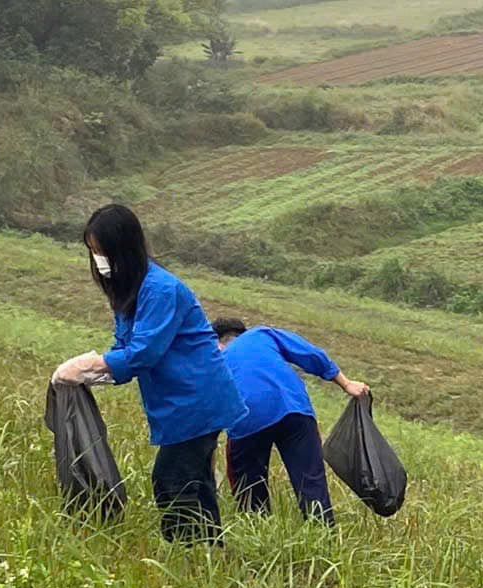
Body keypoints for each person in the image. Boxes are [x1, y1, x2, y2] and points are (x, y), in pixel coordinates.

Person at [52, 205, 246, 543]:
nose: (98, 260)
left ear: (122, 248)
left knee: (171, 479)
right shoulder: (131, 291)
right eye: (93, 252)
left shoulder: (160, 289)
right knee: (194, 481)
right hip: (179, 403)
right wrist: (92, 375)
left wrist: (86, 364)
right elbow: (125, 350)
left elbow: (143, 352)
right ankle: (209, 552)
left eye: (101, 252)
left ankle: (187, 552)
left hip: (197, 399)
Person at [213, 319, 368, 523]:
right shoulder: (261, 334)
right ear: (243, 333)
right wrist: (346, 384)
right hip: (294, 408)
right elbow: (310, 354)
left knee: (249, 487)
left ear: (216, 341)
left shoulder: (214, 358)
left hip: (247, 418)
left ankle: (259, 528)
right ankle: (323, 535)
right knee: (311, 481)